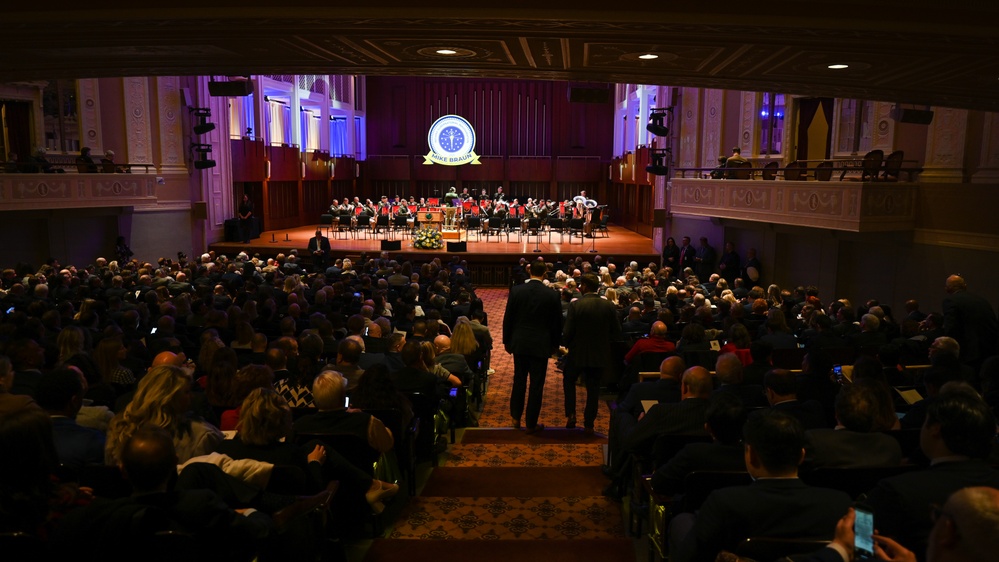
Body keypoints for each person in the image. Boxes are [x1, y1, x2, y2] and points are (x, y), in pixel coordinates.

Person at [669, 410, 852, 562]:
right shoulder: (841, 504)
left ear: (751, 456)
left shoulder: (724, 503)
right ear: (801, 456)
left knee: (682, 522)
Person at [503, 260, 563, 434]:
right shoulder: (551, 294)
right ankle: (531, 422)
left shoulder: (517, 290)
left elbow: (509, 318)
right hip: (541, 344)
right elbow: (556, 324)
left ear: (530, 272)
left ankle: (515, 418)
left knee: (519, 380)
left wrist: (507, 341)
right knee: (537, 385)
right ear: (545, 273)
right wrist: (554, 345)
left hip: (520, 343)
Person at [563, 272, 623, 434]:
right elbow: (617, 332)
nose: (580, 287)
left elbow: (568, 333)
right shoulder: (608, 306)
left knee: (569, 381)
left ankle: (571, 414)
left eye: (581, 285)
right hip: (599, 353)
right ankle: (589, 423)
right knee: (593, 389)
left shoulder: (576, 305)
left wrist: (565, 346)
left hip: (577, 353)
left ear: (586, 287)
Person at [941, 274, 998, 373]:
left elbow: (951, 329)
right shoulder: (982, 300)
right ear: (965, 286)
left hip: (969, 354)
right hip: (991, 350)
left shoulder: (950, 301)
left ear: (947, 289)